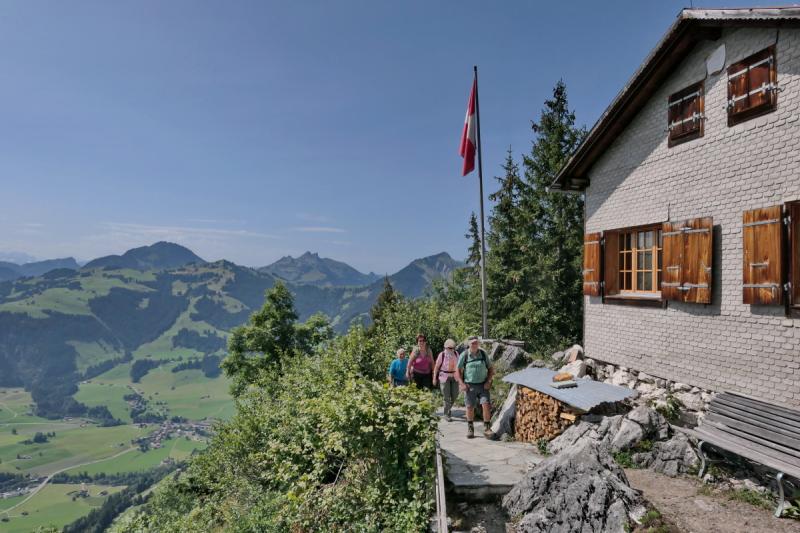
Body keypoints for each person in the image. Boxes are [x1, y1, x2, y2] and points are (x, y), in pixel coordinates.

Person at [456, 336, 494, 439]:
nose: (474, 345)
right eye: (472, 343)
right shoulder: (464, 355)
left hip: (483, 385)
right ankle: (470, 428)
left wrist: (489, 381)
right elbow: (458, 370)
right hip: (470, 385)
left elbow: (490, 368)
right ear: (469, 344)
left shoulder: (483, 353)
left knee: (485, 404)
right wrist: (461, 383)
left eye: (476, 343)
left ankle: (487, 427)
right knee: (469, 407)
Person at [433, 338, 460, 421]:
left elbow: (459, 366)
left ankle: (448, 409)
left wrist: (461, 377)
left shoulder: (456, 354)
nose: (452, 349)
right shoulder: (442, 355)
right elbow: (436, 367)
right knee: (446, 396)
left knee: (455, 395)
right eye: (449, 348)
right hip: (444, 376)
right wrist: (434, 378)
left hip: (454, 376)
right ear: (446, 347)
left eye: (453, 347)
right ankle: (446, 414)